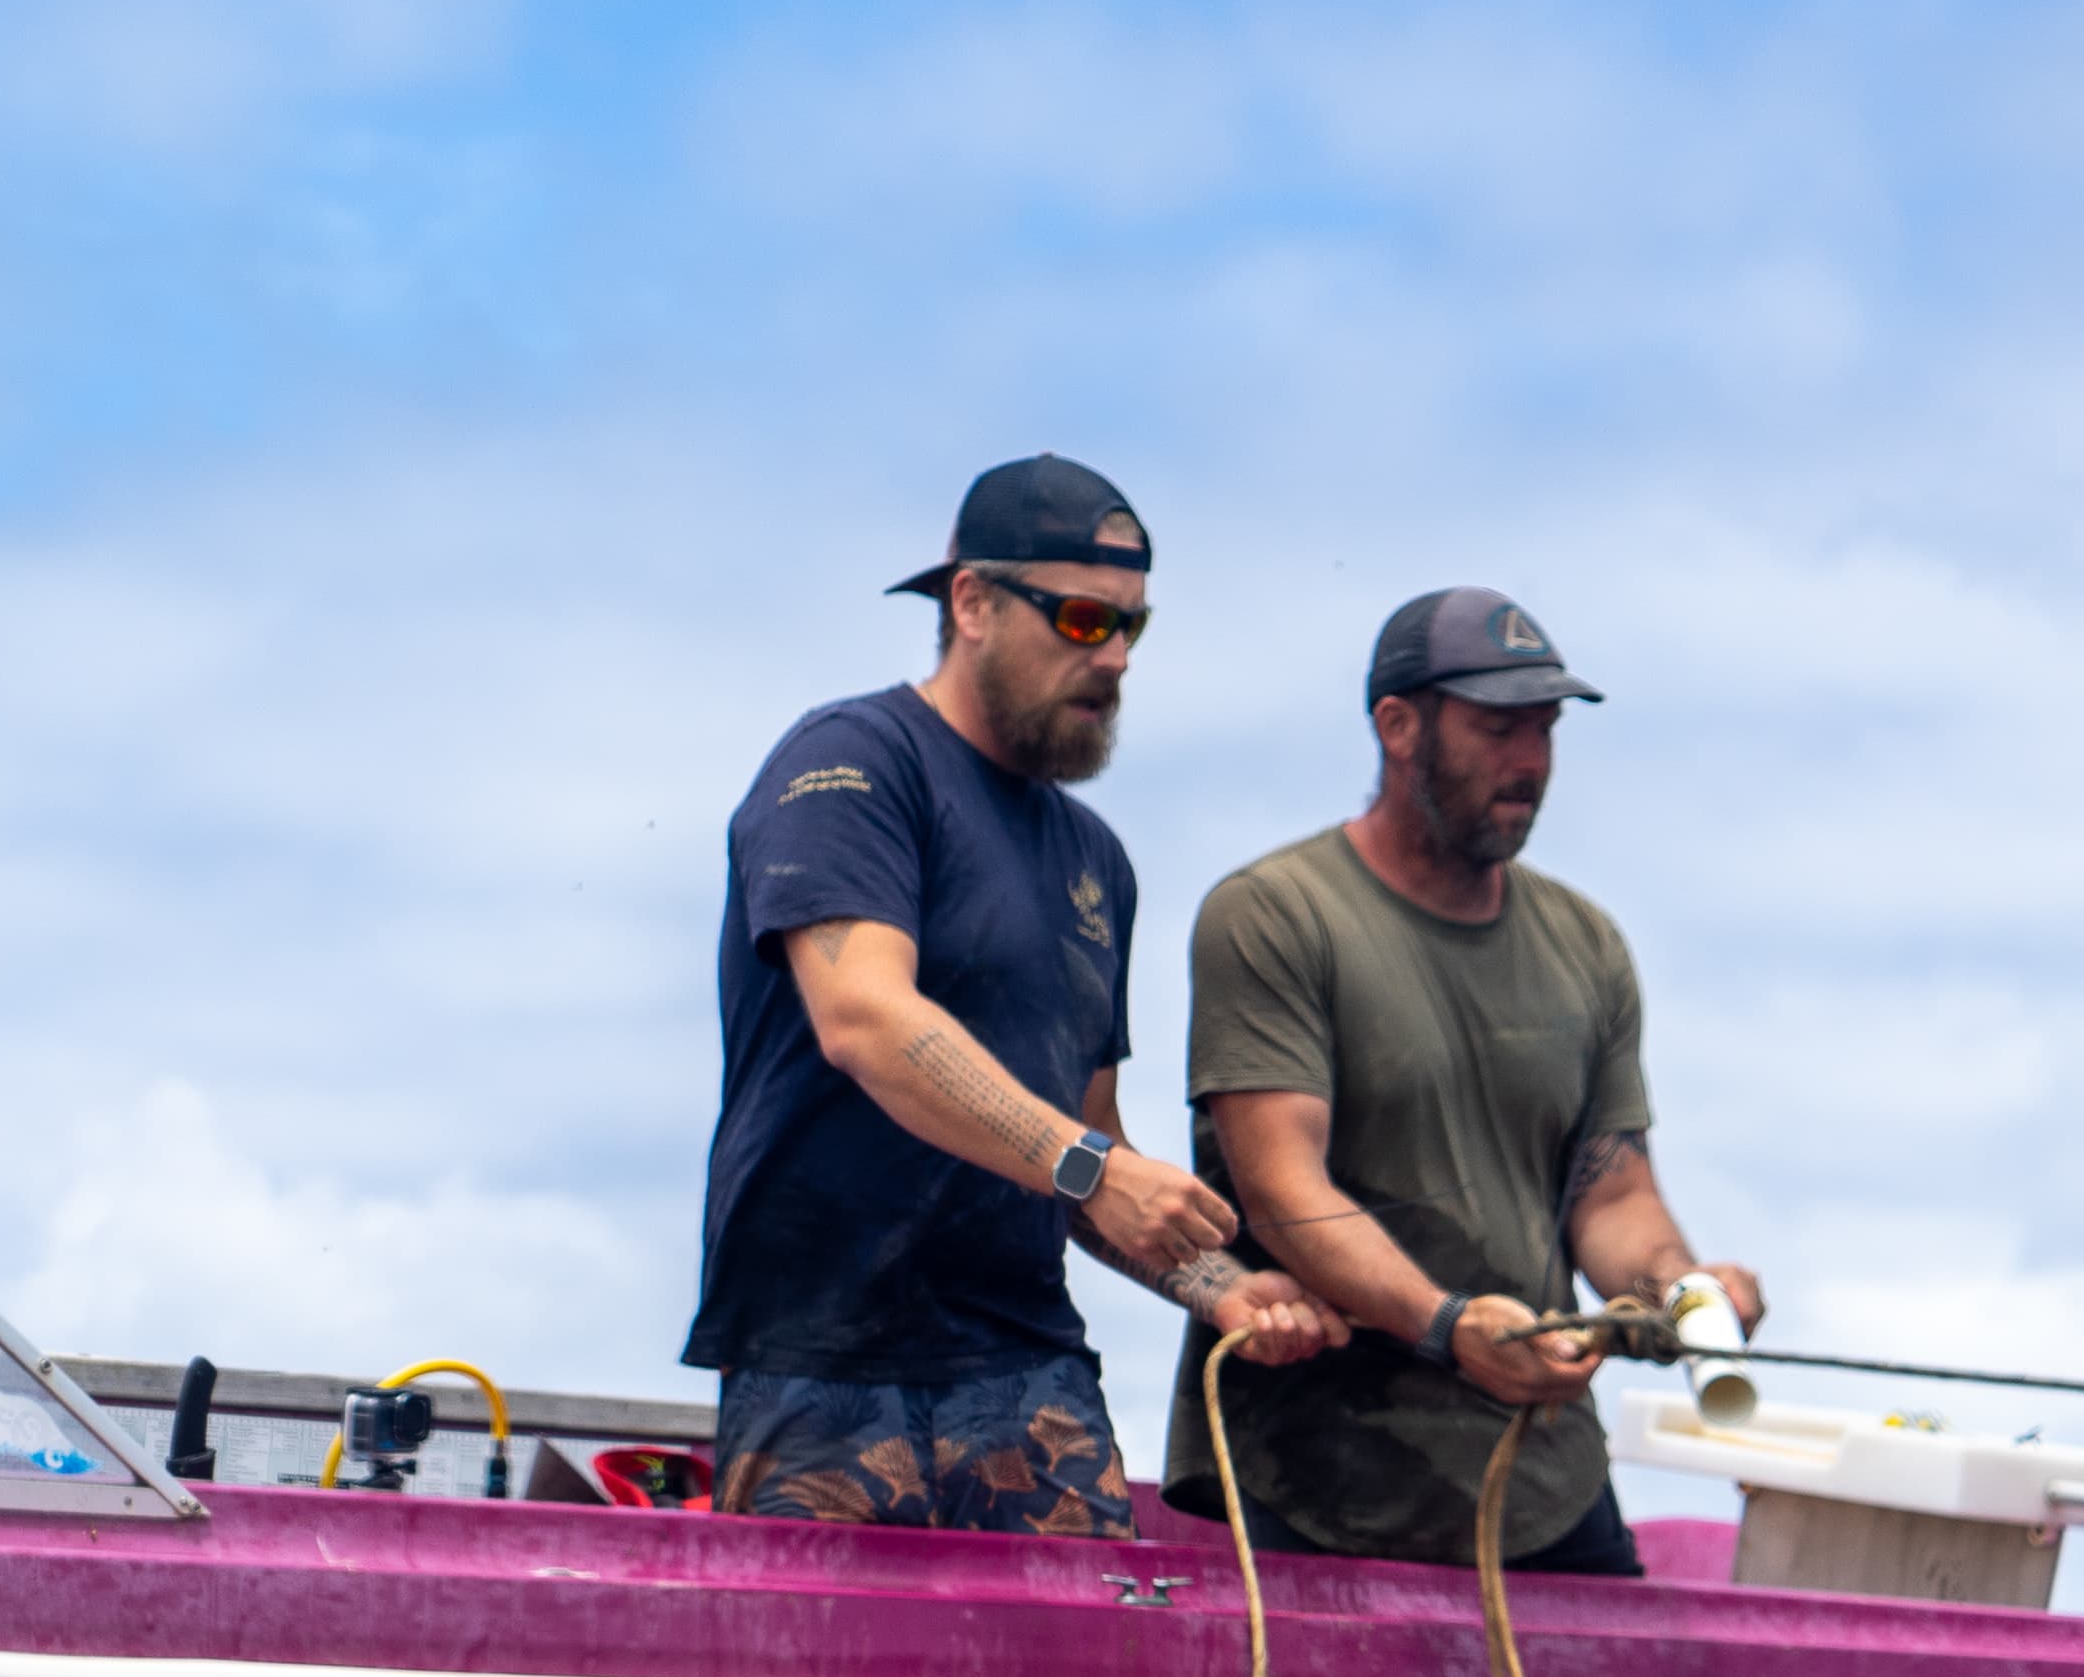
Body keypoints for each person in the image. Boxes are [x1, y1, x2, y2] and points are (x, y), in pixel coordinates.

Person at [686, 454, 1338, 1535]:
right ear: (973, 602)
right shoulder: (853, 763)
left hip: (1028, 1373)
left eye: (1135, 626)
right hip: (822, 1361)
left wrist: (1218, 1285)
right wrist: (1092, 1166)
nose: (1118, 658)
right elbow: (867, 1022)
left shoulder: (1096, 861)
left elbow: (1092, 1152)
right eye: (1085, 620)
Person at [1160, 586, 1764, 1570]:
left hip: (1542, 1484)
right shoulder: (1275, 914)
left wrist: (1680, 1291)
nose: (1530, 762)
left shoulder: (1588, 944)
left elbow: (1613, 1197)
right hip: (1320, 1486)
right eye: (1497, 728)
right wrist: (1448, 1328)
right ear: (1397, 725)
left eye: (1547, 729)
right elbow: (1281, 1191)